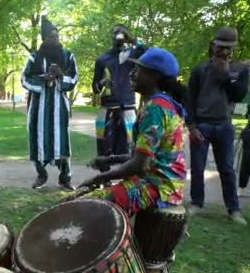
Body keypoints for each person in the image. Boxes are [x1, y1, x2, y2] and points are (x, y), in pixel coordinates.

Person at [80, 47, 187, 217]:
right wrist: (109, 159)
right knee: (88, 201)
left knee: (92, 205)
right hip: (153, 182)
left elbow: (139, 165)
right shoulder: (156, 104)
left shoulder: (156, 109)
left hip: (158, 188)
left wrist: (99, 178)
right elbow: (144, 156)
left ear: (155, 76)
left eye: (138, 69)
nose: (132, 74)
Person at [186, 27, 249, 225]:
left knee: (227, 169)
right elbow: (189, 100)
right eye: (220, 46)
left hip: (224, 126)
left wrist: (226, 75)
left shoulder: (240, 70)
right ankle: (197, 203)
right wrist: (191, 126)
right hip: (202, 125)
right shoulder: (199, 69)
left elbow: (238, 96)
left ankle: (233, 209)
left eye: (228, 48)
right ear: (213, 45)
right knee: (197, 167)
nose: (223, 51)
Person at [21, 16, 77, 191]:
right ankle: (41, 175)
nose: (55, 39)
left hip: (59, 107)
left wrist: (61, 75)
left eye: (57, 36)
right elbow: (24, 79)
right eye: (51, 37)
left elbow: (74, 79)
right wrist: (42, 79)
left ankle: (65, 177)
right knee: (38, 139)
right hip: (39, 107)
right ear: (44, 39)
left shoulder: (68, 56)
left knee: (62, 141)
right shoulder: (34, 57)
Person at [92, 24, 147, 171]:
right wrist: (102, 82)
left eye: (122, 33)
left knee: (130, 147)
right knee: (104, 147)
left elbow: (150, 55)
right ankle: (104, 181)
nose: (119, 35)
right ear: (112, 35)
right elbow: (95, 88)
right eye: (116, 32)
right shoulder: (102, 59)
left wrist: (134, 40)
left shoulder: (133, 55)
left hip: (128, 108)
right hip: (107, 109)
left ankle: (127, 182)